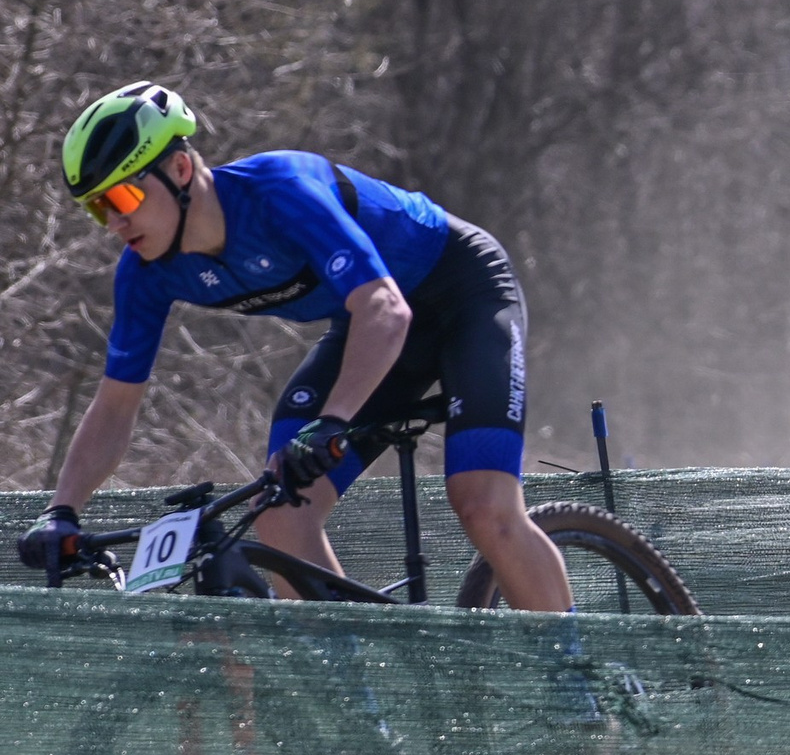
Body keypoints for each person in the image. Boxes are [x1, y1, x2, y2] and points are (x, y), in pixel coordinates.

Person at [18, 81, 573, 610]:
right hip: (373, 329)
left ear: (181, 169)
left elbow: (386, 309)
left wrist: (331, 421)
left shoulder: (280, 193)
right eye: (97, 208)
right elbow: (116, 405)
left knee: (483, 506)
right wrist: (62, 511)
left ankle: (588, 690)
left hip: (460, 293)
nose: (113, 221)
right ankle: (356, 694)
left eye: (122, 195)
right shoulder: (145, 272)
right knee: (280, 515)